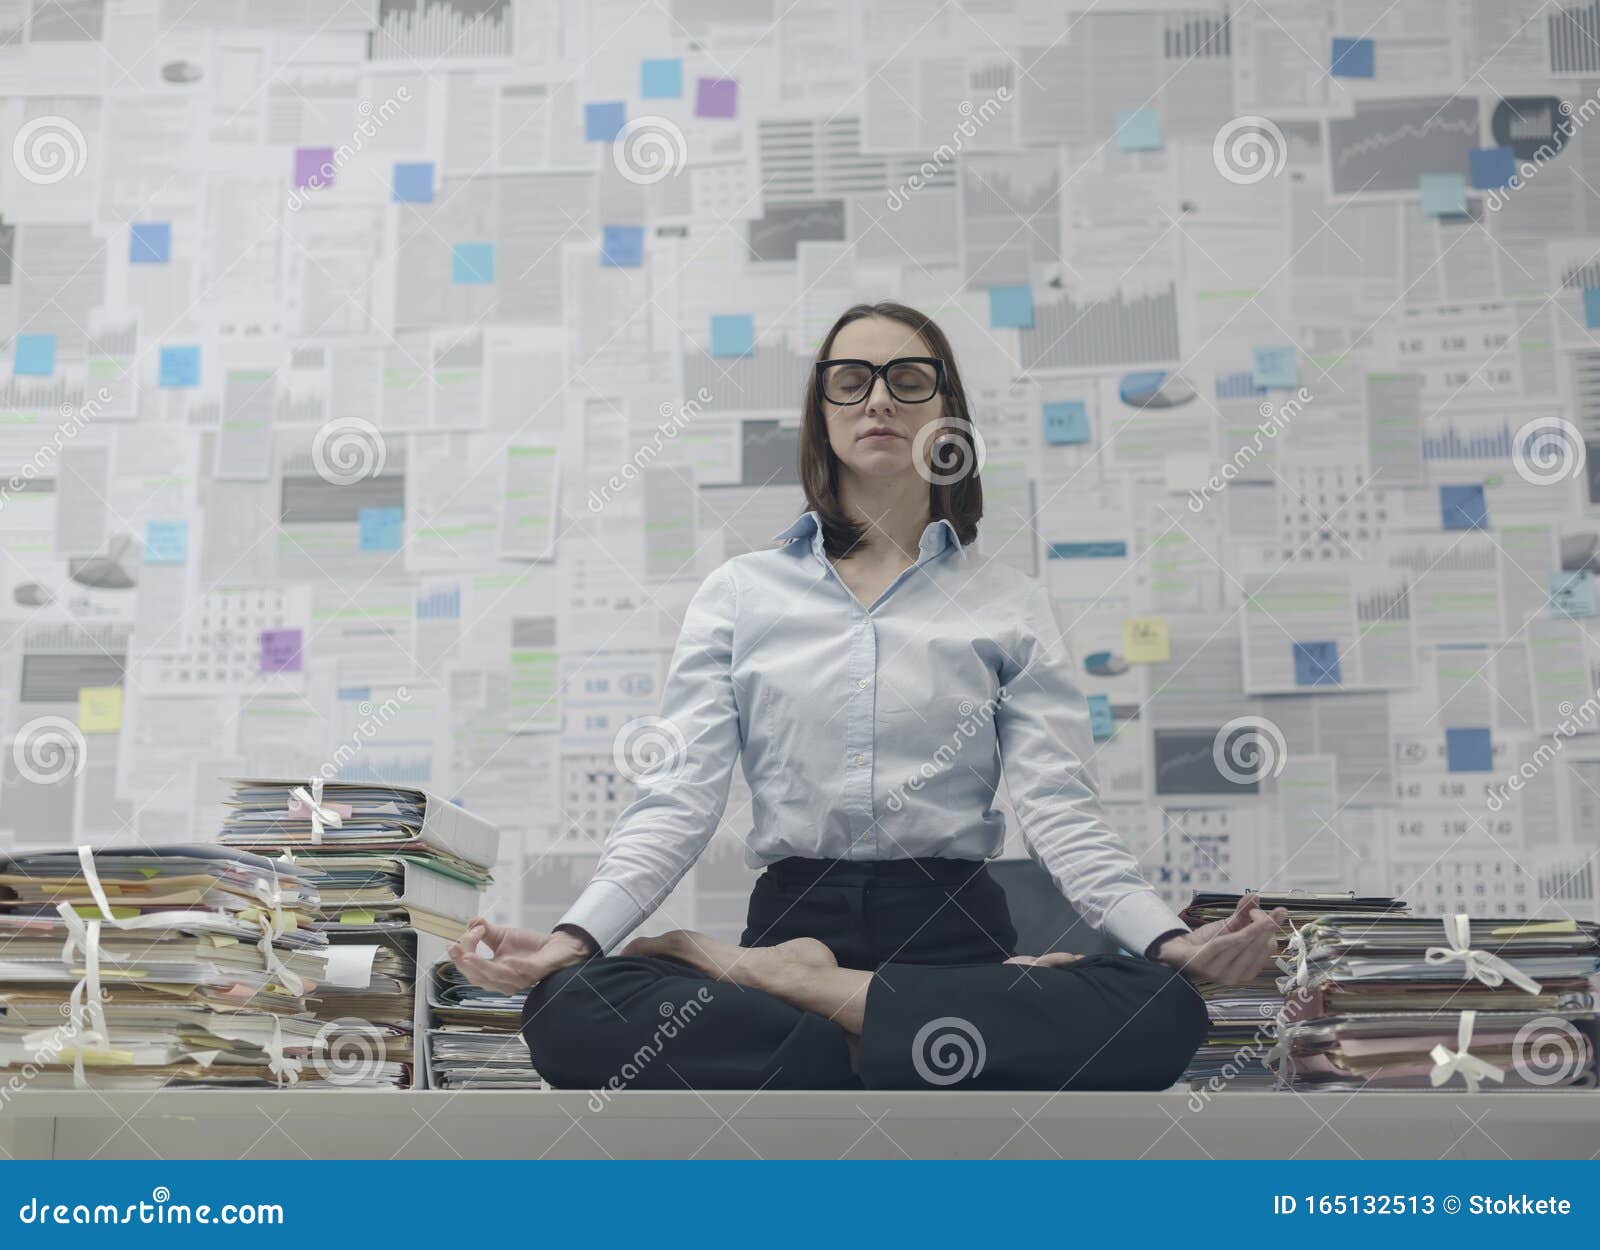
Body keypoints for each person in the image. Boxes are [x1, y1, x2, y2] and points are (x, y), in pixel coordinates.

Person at [449, 300, 1288, 1091]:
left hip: (953, 937)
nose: (879, 398)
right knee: (567, 1011)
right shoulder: (740, 593)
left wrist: (1170, 941)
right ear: (822, 410)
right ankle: (904, 1034)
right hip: (802, 916)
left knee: (1160, 1010)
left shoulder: (1009, 601)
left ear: (946, 413)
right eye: (850, 379)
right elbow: (677, 802)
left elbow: (1060, 809)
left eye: (908, 378)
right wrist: (570, 940)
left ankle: (792, 993)